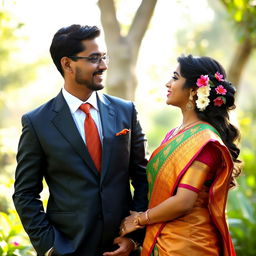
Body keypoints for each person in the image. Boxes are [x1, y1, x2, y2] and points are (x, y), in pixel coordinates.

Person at [13, 24, 148, 256]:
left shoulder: (126, 111)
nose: (104, 65)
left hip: (123, 247)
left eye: (104, 57)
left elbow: (144, 176)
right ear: (67, 64)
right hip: (68, 248)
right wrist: (50, 247)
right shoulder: (37, 122)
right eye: (94, 58)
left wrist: (135, 237)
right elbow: (25, 193)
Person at [120, 54, 242, 256]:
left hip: (189, 244)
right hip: (164, 238)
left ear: (195, 90)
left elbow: (184, 201)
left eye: (175, 77)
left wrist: (139, 219)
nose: (168, 83)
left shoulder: (205, 140)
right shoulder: (175, 134)